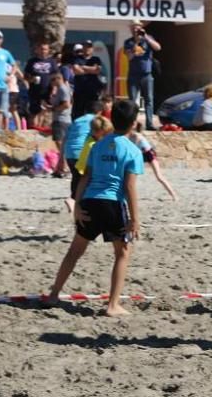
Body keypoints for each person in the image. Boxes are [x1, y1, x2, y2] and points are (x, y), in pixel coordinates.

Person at [47, 100, 144, 317]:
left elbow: (84, 178)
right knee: (123, 253)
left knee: (74, 252)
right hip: (112, 204)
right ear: (133, 123)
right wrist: (135, 219)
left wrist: (78, 205)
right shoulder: (132, 150)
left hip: (90, 201)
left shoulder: (97, 144)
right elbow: (129, 186)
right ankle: (113, 305)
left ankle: (53, 294)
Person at [62, 100, 104, 207]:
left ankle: (75, 201)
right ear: (99, 112)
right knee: (87, 177)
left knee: (76, 177)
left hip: (69, 152)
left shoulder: (77, 121)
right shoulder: (95, 121)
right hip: (82, 152)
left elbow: (65, 138)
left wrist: (61, 158)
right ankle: (74, 200)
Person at [124, 20, 162, 130]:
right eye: (134, 28)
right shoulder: (129, 42)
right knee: (132, 100)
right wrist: (136, 43)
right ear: (131, 29)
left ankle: (149, 124)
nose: (136, 29)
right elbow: (129, 57)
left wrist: (146, 37)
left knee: (149, 100)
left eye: (138, 27)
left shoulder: (148, 38)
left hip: (147, 75)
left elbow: (158, 48)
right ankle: (132, 124)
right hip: (133, 75)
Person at [127, 122, 178, 201]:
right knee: (129, 174)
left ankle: (174, 195)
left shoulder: (136, 135)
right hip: (141, 154)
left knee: (159, 176)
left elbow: (134, 148)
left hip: (149, 154)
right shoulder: (130, 136)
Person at [25, 43, 58, 128]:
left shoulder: (52, 62)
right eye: (41, 49)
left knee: (46, 110)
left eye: (45, 49)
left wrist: (54, 88)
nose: (43, 51)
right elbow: (26, 75)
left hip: (47, 90)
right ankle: (33, 129)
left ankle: (42, 129)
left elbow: (56, 76)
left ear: (48, 50)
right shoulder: (32, 61)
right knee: (34, 111)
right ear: (37, 50)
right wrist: (32, 79)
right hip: (34, 90)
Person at [72, 40, 104, 120]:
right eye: (85, 47)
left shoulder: (96, 59)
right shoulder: (77, 58)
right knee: (78, 113)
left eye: (89, 47)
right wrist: (91, 69)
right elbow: (76, 70)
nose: (87, 49)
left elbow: (97, 70)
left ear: (92, 49)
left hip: (92, 91)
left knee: (92, 113)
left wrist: (83, 67)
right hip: (80, 90)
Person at [48, 71, 72, 158]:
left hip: (61, 119)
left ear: (58, 79)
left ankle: (64, 163)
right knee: (60, 142)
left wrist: (53, 109)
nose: (51, 82)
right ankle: (63, 163)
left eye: (52, 80)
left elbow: (66, 104)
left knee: (59, 141)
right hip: (62, 119)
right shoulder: (60, 90)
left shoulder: (63, 89)